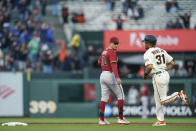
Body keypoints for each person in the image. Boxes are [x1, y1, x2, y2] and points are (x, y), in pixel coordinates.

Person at [142, 35, 189, 126]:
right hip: (165, 74)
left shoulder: (147, 52)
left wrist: (145, 74)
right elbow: (172, 62)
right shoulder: (162, 50)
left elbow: (149, 66)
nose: (144, 44)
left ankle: (179, 95)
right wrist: (164, 70)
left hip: (157, 76)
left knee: (162, 100)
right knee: (158, 101)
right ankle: (161, 121)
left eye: (145, 42)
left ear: (149, 43)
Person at [97, 37, 130, 125]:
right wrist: (117, 77)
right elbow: (114, 66)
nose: (116, 45)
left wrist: (105, 65)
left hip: (103, 74)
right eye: (115, 43)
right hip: (110, 74)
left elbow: (99, 62)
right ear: (110, 43)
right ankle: (120, 118)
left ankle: (101, 120)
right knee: (121, 96)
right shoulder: (112, 52)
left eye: (117, 43)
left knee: (103, 98)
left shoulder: (104, 51)